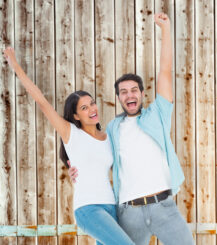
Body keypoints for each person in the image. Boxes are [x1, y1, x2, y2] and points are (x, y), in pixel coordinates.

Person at [70, 13, 194, 245]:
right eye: (124, 92)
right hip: (129, 212)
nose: (130, 94)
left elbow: (165, 71)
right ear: (118, 98)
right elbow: (94, 154)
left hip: (163, 207)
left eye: (134, 90)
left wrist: (166, 30)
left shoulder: (157, 114)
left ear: (142, 94)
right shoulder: (112, 128)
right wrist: (75, 171)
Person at [3, 47, 134, 245]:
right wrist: (15, 65)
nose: (91, 109)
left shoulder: (108, 136)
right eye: (84, 107)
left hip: (111, 207)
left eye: (92, 103)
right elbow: (41, 101)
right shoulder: (71, 133)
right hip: (88, 209)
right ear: (75, 116)